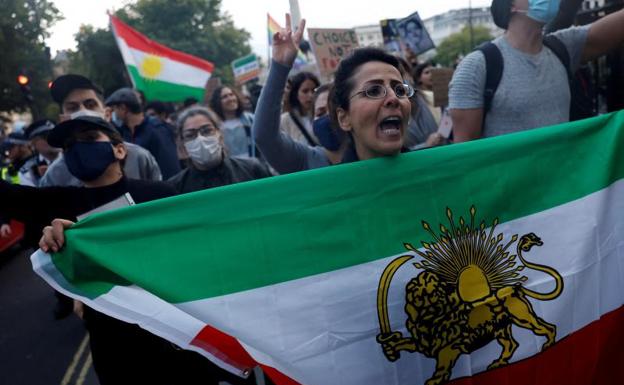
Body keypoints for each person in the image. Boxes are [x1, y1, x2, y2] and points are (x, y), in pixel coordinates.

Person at [255, 15, 413, 174]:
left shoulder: (432, 170)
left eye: (400, 90)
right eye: (373, 91)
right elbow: (265, 137)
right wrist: (280, 67)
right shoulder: (315, 166)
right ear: (343, 119)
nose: (393, 98)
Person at [449, 0, 624, 142]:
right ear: (511, 5)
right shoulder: (476, 67)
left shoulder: (563, 47)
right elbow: (466, 153)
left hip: (562, 181)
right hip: (512, 185)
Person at [41, 74, 162, 188]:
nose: (82, 111)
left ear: (107, 114)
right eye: (72, 108)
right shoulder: (54, 177)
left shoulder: (139, 158)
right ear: (63, 119)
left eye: (90, 105)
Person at [168, 106, 272, 194]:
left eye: (207, 130)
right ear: (182, 143)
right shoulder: (175, 187)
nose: (200, 138)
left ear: (220, 134)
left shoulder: (252, 169)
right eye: (190, 135)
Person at [106, 87, 180, 178]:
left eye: (114, 109)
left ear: (123, 108)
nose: (114, 114)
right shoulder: (123, 132)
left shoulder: (157, 130)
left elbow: (170, 168)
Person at [209, 86, 256, 158]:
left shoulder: (251, 119)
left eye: (231, 95)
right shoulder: (214, 127)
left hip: (254, 166)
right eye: (225, 97)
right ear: (217, 102)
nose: (230, 99)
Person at [280, 71, 320, 146]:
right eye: (305, 91)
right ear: (296, 94)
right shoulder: (285, 120)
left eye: (314, 90)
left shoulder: (323, 114)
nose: (311, 95)